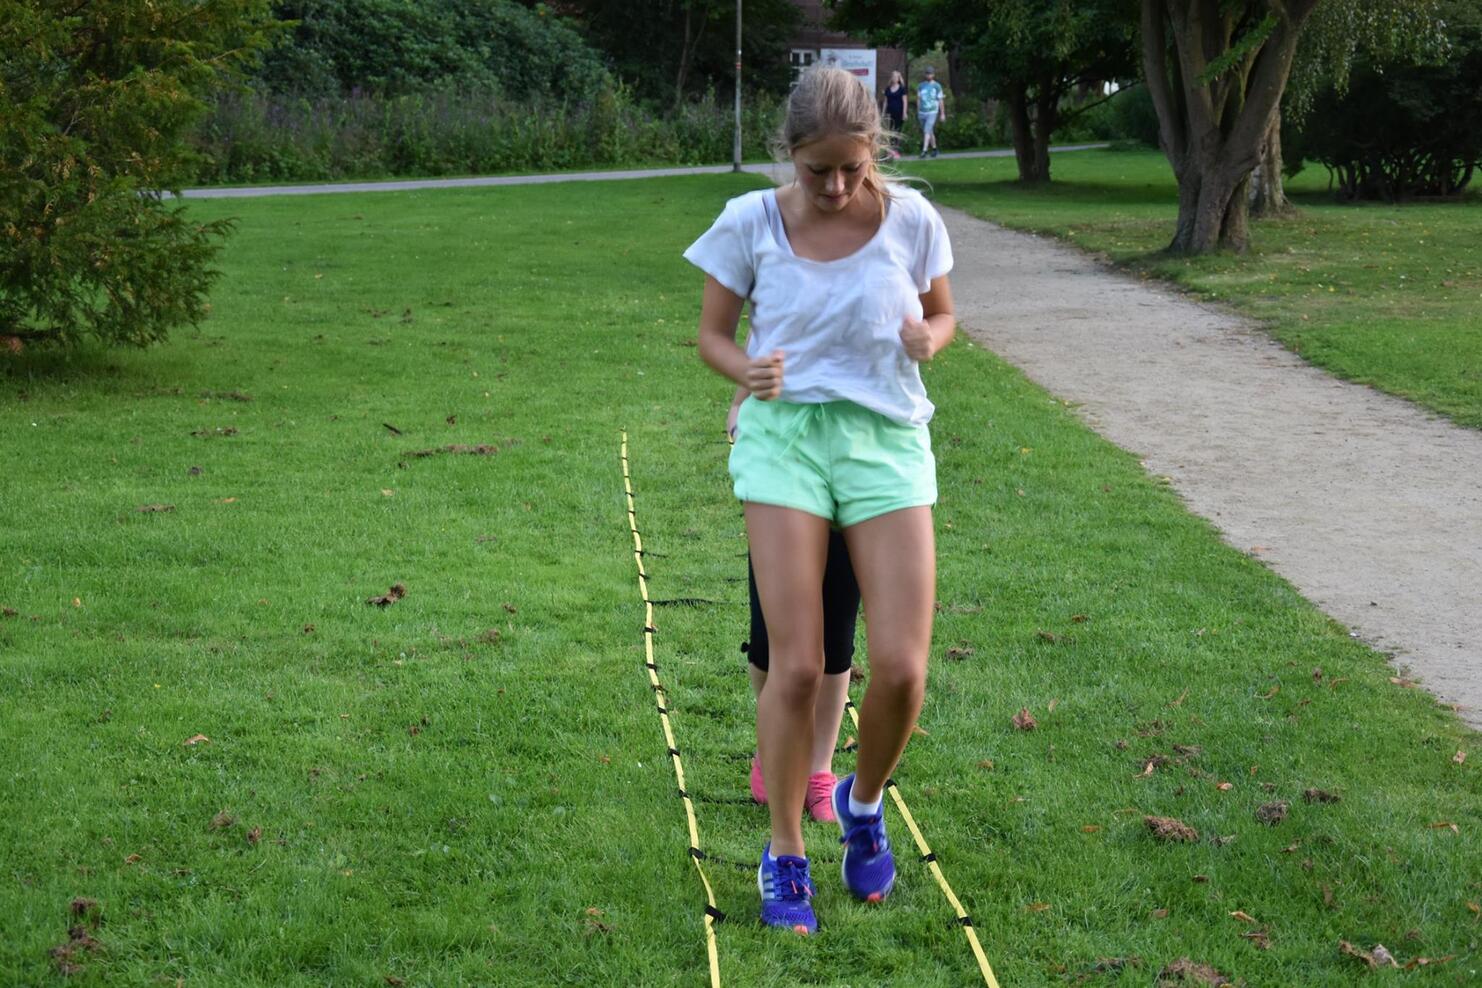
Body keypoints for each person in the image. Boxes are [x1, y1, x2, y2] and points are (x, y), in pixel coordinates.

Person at [686, 65, 956, 935]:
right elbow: (711, 336)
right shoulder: (749, 221)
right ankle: (785, 853)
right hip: (787, 443)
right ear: (789, 155)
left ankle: (862, 803)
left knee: (904, 669)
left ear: (876, 150)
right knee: (797, 664)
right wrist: (746, 368)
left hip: (885, 444)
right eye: (817, 171)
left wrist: (931, 336)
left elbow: (944, 315)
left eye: (852, 167)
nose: (836, 187)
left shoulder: (913, 220)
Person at [728, 387, 858, 825]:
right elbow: (762, 355)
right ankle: (774, 749)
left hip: (853, 461)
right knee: (770, 639)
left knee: (836, 632)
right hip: (779, 465)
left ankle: (819, 769)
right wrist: (738, 407)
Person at [916, 66, 946, 158]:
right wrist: (918, 110)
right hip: (922, 112)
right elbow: (918, 99)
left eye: (930, 74)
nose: (929, 75)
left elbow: (940, 100)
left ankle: (924, 150)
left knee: (926, 131)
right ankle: (934, 148)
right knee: (929, 131)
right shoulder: (921, 86)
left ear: (933, 75)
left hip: (932, 111)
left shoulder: (937, 86)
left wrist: (942, 113)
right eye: (927, 73)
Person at [880, 70, 908, 159]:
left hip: (899, 113)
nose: (894, 78)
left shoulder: (902, 89)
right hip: (890, 113)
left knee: (897, 132)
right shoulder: (888, 89)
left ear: (899, 79)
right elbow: (885, 102)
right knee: (890, 132)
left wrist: (904, 113)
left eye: (896, 77)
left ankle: (896, 151)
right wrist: (883, 112)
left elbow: (905, 101)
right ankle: (890, 151)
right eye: (893, 77)